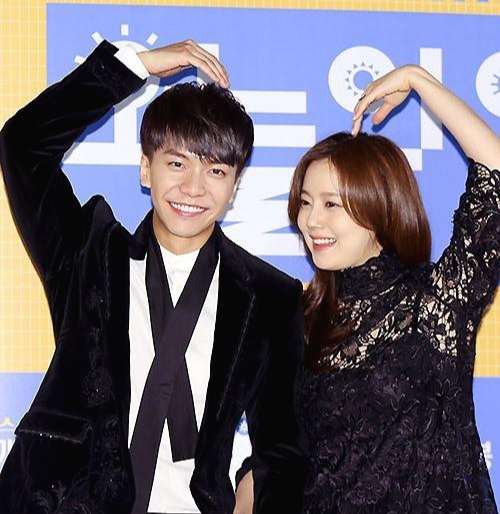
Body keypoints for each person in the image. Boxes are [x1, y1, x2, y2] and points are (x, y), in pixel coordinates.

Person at [0, 39, 307, 514]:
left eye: (216, 171)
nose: (192, 188)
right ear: (146, 169)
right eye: (176, 163)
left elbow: (281, 449)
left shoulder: (271, 297)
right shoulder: (88, 256)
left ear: (234, 186)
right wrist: (132, 66)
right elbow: (23, 145)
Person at [234, 65, 500, 513]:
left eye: (332, 204)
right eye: (305, 202)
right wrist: (251, 480)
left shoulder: (434, 304)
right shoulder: (298, 317)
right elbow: (284, 447)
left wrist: (419, 80)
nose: (311, 220)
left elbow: (496, 176)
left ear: (379, 209)